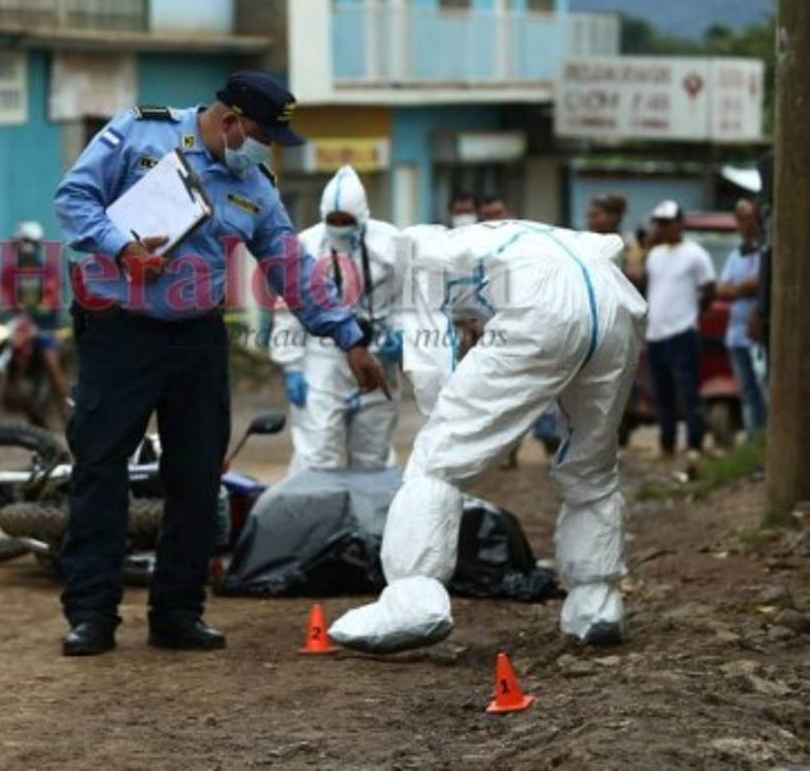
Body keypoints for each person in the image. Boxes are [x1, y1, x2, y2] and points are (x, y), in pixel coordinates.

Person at [53, 71, 387, 657]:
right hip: (118, 331)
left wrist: (349, 336)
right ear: (230, 121)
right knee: (101, 470)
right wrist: (119, 247)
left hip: (196, 339)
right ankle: (91, 614)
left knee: (198, 477)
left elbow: (290, 266)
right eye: (261, 134)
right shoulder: (137, 134)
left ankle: (177, 612)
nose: (265, 149)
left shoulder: (254, 185)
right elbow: (73, 199)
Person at [329, 220, 647, 653]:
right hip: (615, 300)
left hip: (542, 305)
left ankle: (412, 602)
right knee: (590, 466)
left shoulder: (416, 263)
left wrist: (454, 424)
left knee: (436, 460)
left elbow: (431, 366)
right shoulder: (482, 240)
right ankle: (597, 602)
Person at [270, 166, 402, 473]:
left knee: (374, 454)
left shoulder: (391, 244)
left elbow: (410, 299)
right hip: (323, 357)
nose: (340, 227)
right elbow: (288, 310)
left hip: (378, 354)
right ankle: (314, 518)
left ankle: (371, 519)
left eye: (348, 221)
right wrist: (292, 366)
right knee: (317, 453)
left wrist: (403, 337)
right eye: (334, 221)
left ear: (363, 216)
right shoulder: (306, 246)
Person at [643, 200, 716, 462]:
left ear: (680, 223)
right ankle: (667, 444)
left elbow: (709, 289)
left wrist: (693, 313)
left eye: (668, 223)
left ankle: (695, 443)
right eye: (660, 224)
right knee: (662, 395)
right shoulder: (654, 255)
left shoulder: (695, 254)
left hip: (683, 332)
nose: (664, 229)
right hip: (656, 334)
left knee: (687, 392)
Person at [0, 220, 69, 423]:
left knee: (50, 362)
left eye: (26, 242)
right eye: (19, 243)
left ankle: (67, 411)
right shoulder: (9, 271)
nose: (22, 247)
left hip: (44, 327)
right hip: (18, 326)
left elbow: (51, 293)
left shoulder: (48, 271)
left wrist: (43, 305)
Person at [716, 198, 766, 441]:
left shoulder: (767, 250)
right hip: (736, 333)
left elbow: (761, 282)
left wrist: (742, 288)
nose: (747, 223)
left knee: (764, 388)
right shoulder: (736, 254)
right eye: (742, 218)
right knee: (746, 391)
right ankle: (753, 439)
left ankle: (766, 439)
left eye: (750, 217)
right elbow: (722, 290)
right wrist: (743, 288)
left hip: (760, 335)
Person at [587, 193, 645, 284]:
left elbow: (635, 273)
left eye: (596, 215)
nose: (590, 219)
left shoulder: (628, 241)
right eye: (590, 215)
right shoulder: (587, 241)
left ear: (614, 217)